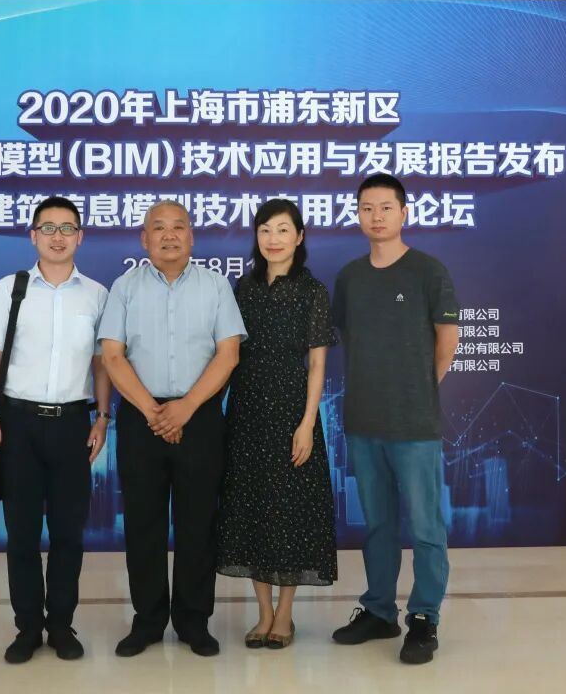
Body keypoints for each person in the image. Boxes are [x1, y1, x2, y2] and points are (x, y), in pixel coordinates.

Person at [98, 199, 247, 658]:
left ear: (191, 236)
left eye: (178, 227)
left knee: (197, 524)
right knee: (142, 523)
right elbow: (112, 356)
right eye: (158, 228)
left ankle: (193, 621)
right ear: (144, 239)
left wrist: (186, 407)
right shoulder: (124, 287)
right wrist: (154, 411)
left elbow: (228, 354)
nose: (169, 235)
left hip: (199, 416)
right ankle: (146, 622)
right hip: (141, 417)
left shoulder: (215, 285)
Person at [0, 196, 112, 664]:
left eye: (67, 228)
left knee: (69, 534)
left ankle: (62, 626)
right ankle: (28, 628)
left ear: (80, 237)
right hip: (18, 424)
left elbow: (101, 363)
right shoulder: (10, 289)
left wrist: (103, 416)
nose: (57, 236)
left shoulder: (96, 295)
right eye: (47, 228)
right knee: (23, 534)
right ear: (32, 236)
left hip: (72, 424)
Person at [330, 174, 460, 665]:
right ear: (358, 215)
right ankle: (379, 610)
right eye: (367, 208)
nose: (376, 216)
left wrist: (419, 390)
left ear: (404, 213)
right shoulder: (350, 277)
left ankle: (424, 617)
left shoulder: (428, 271)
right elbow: (347, 338)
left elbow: (446, 340)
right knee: (378, 525)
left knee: (426, 527)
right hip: (363, 420)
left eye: (386, 207)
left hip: (414, 424)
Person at [216, 198, 338, 650]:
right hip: (246, 411)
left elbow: (317, 365)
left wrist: (307, 423)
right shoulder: (243, 289)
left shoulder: (312, 291)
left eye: (283, 230)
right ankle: (263, 613)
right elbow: (228, 354)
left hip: (291, 412)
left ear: (299, 237)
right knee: (252, 510)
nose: (273, 239)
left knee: (290, 513)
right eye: (265, 230)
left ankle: (284, 615)